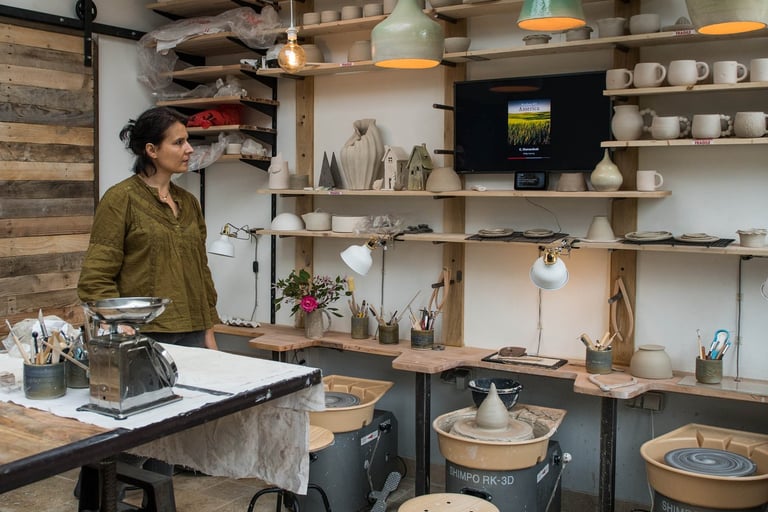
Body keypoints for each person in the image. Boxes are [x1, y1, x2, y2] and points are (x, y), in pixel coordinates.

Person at [78, 106, 220, 350]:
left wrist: (209, 332)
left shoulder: (188, 202)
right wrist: (117, 325)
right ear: (151, 150)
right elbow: (96, 276)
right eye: (178, 142)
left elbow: (201, 272)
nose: (189, 149)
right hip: (143, 333)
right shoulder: (120, 199)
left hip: (193, 330)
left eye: (187, 141)